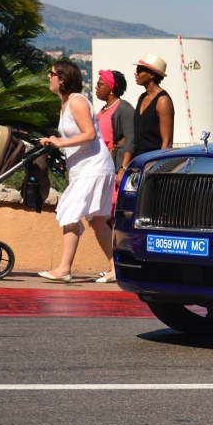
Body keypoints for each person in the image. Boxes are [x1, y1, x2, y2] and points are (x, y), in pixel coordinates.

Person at [38, 59, 117, 283]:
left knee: (70, 213)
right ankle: (115, 268)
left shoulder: (77, 101)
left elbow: (90, 134)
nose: (48, 77)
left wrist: (58, 143)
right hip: (86, 168)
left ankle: (64, 269)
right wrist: (55, 141)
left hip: (94, 167)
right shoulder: (65, 103)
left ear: (62, 78)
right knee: (98, 220)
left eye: (51, 73)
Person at [124, 54, 174, 173]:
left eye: (139, 70)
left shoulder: (162, 101)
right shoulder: (141, 98)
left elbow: (167, 142)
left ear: (151, 74)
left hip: (154, 164)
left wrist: (156, 167)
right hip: (139, 162)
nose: (135, 74)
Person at [96, 69, 135, 218]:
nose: (96, 88)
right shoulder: (103, 110)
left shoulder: (124, 108)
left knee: (111, 213)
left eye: (100, 85)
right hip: (103, 168)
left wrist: (123, 169)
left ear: (111, 89)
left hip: (116, 170)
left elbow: (131, 139)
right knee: (102, 215)